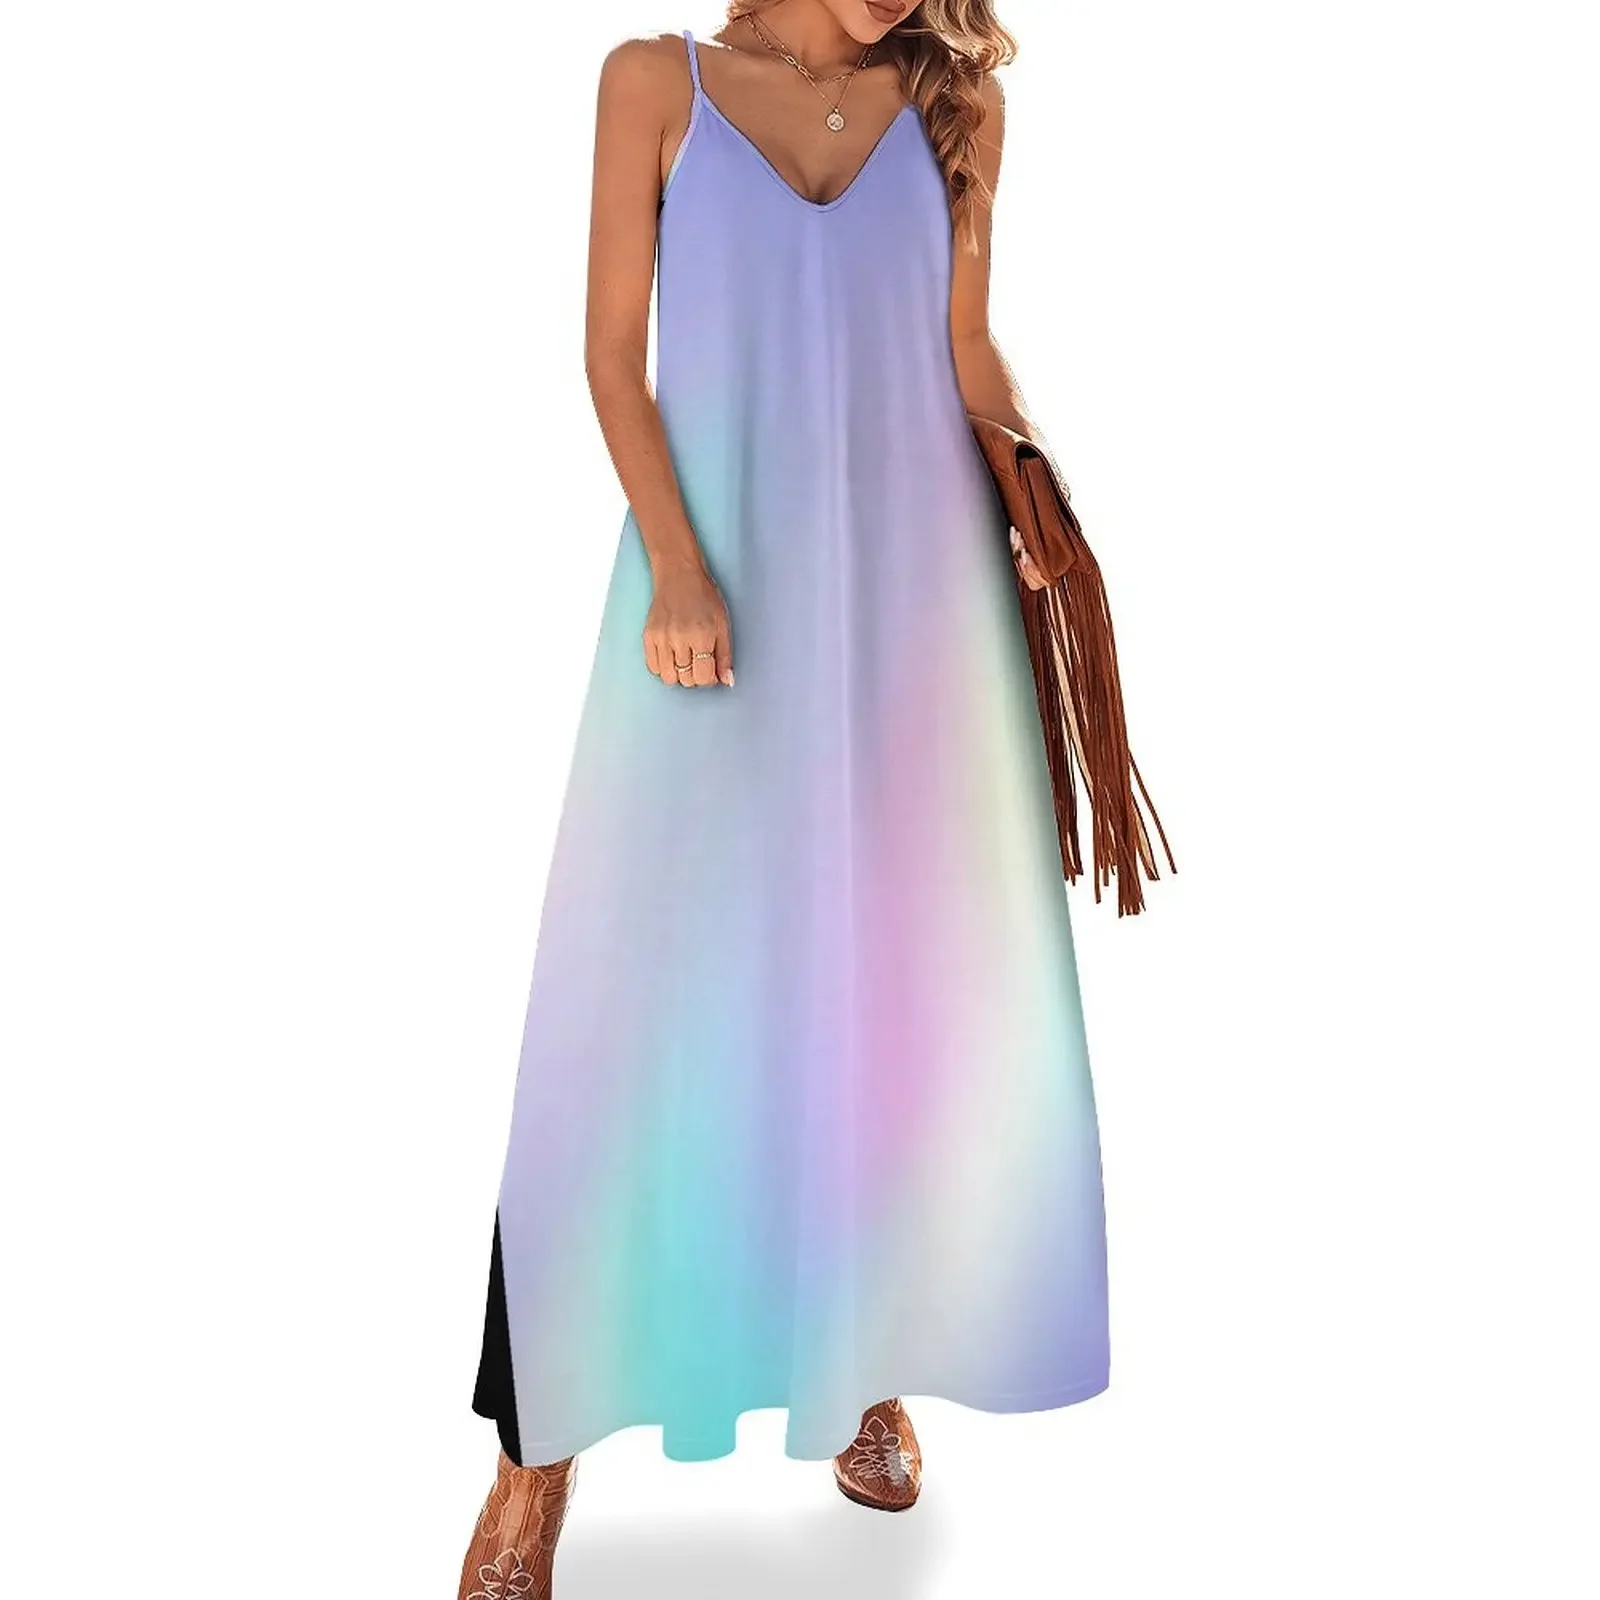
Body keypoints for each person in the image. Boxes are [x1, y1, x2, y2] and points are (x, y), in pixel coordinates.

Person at [460, 4, 1108, 1594]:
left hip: (915, 606)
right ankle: (534, 1455)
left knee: (894, 992)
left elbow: (965, 348)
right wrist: (676, 562)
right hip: (712, 601)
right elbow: (612, 356)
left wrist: (1031, 476)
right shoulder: (655, 86)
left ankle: (858, 1363)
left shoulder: (955, 107)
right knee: (628, 1020)